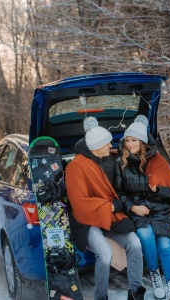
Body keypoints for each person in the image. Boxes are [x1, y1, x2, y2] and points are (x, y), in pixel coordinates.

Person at [65, 116, 146, 300]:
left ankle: (135, 290)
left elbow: (120, 187)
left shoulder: (110, 160)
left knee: (134, 243)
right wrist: (109, 206)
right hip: (86, 220)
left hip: (110, 215)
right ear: (95, 147)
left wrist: (120, 204)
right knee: (105, 253)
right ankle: (101, 296)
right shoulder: (75, 167)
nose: (110, 146)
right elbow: (79, 203)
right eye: (107, 144)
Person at [114, 115, 170, 300]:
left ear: (142, 141)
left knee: (166, 246)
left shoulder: (159, 162)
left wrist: (158, 189)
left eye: (133, 140)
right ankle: (154, 275)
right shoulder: (121, 163)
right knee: (145, 236)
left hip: (161, 210)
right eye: (127, 140)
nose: (129, 144)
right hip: (139, 210)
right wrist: (133, 208)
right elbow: (120, 192)